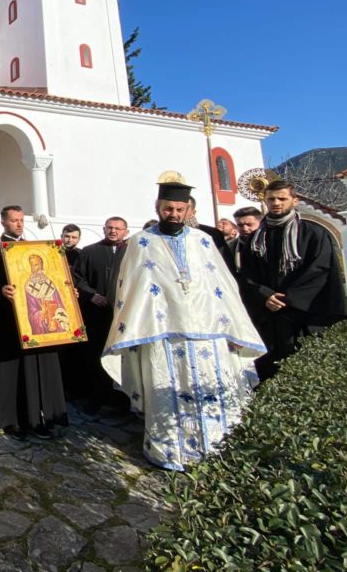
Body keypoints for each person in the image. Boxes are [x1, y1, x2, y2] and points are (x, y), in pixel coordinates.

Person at [102, 181, 266, 471]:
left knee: (212, 389)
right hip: (162, 333)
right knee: (167, 390)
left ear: (188, 209)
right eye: (168, 209)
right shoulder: (140, 242)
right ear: (158, 208)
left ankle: (217, 449)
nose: (174, 213)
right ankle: (169, 452)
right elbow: (129, 288)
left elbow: (223, 285)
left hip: (208, 333)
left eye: (179, 209)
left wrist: (233, 327)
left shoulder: (203, 240)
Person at [238, 180, 347, 380]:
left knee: (305, 373)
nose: (276, 203)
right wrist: (264, 295)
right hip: (267, 316)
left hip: (302, 315)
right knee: (268, 372)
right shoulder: (255, 239)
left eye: (282, 198)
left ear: (294, 201)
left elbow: (319, 270)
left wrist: (287, 299)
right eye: (271, 199)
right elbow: (246, 275)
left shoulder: (313, 233)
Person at [0, 206, 65, 439]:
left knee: (34, 370)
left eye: (21, 220)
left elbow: (53, 280)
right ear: (3, 222)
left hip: (36, 323)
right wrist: (0, 290)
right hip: (8, 322)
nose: (18, 224)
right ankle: (10, 420)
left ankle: (36, 417)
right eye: (14, 220)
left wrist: (66, 293)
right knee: (12, 371)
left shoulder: (34, 249)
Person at [71, 216, 129, 413]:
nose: (113, 231)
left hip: (123, 315)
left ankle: (123, 400)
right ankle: (95, 397)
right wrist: (91, 295)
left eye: (118, 229)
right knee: (95, 356)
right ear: (104, 229)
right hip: (96, 314)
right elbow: (77, 278)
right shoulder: (89, 252)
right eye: (110, 228)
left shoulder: (132, 253)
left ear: (125, 232)